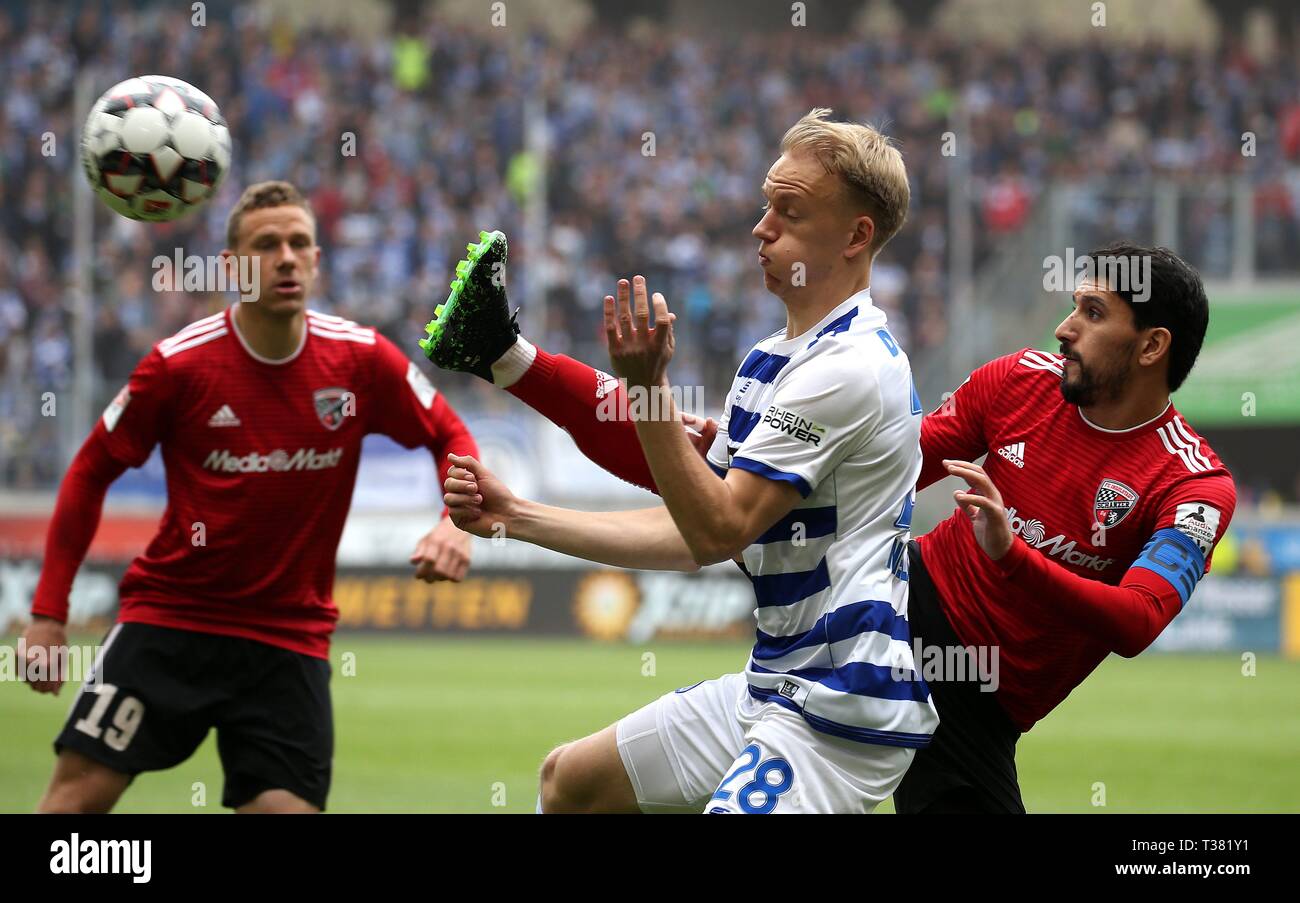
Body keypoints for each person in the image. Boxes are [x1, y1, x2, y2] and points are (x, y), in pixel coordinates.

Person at [428, 218, 1236, 810]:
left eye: (1094, 313)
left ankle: (504, 354)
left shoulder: (1193, 484)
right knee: (718, 485)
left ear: (1151, 345)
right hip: (884, 610)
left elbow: (1135, 621)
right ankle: (504, 353)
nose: (1064, 325)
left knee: (716, 493)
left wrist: (1013, 557)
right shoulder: (1016, 382)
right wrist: (787, 462)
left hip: (978, 705)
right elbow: (890, 465)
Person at [433, 109, 938, 814]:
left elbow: (716, 529)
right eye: (767, 204)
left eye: (789, 212)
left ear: (858, 235)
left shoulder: (850, 366)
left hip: (839, 706)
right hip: (773, 682)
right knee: (569, 783)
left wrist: (645, 386)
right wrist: (516, 516)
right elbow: (691, 521)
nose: (762, 228)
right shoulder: (772, 360)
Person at [22, 181, 479, 813]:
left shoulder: (362, 361)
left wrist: (456, 520)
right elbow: (90, 470)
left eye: (299, 243)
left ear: (317, 262)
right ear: (232, 267)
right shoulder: (178, 367)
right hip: (171, 622)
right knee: (71, 808)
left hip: (286, 641)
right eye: (267, 245)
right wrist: (48, 615)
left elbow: (450, 434)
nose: (286, 257)